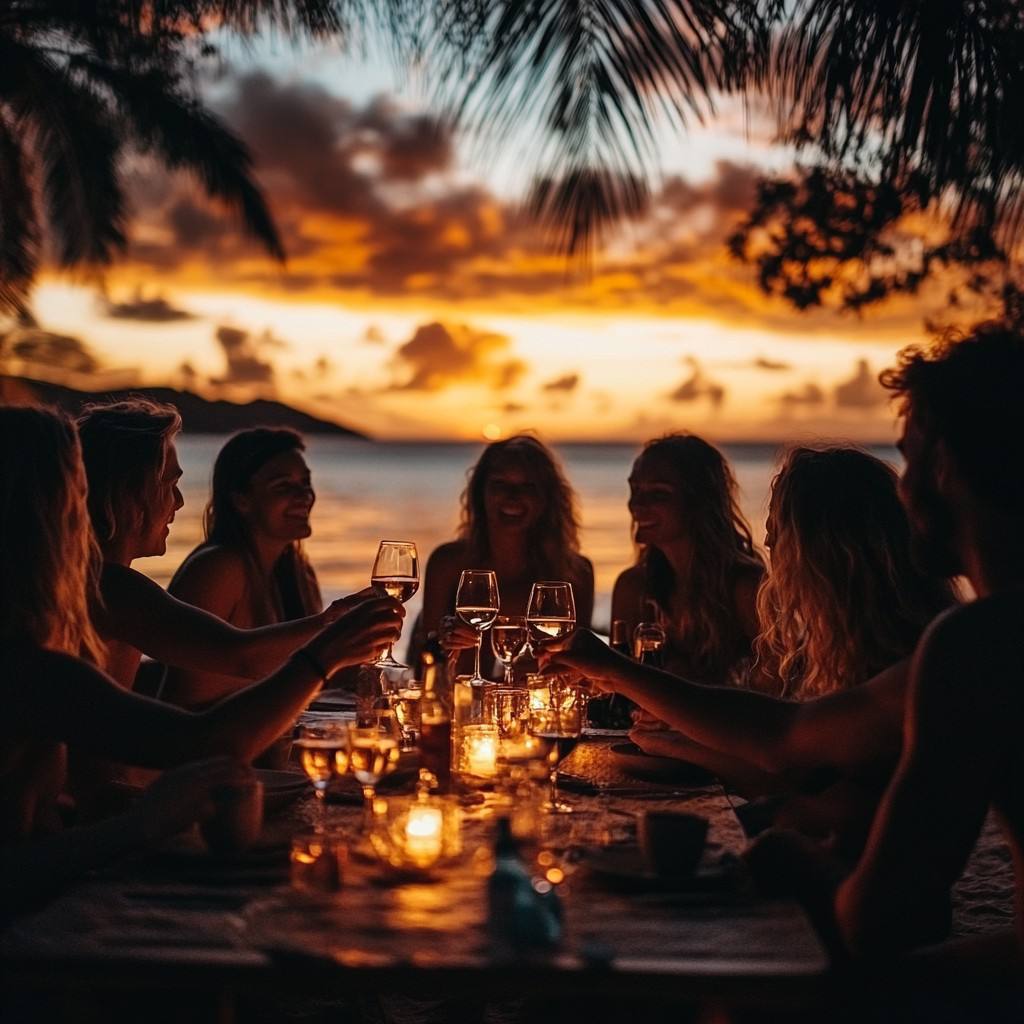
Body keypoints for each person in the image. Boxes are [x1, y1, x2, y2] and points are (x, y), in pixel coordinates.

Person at [0, 406, 402, 909]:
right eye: (78, 491)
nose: (179, 500)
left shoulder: (47, 638)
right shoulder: (53, 641)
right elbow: (215, 718)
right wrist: (322, 654)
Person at [542, 446, 955, 842]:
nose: (770, 547)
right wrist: (679, 744)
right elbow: (794, 775)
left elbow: (782, 740)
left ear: (829, 551)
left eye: (779, 534)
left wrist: (618, 670)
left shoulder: (918, 669)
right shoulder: (863, 653)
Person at [831, 324, 1024, 959]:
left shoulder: (982, 644)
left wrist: (809, 874)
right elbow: (791, 732)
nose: (903, 485)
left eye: (908, 458)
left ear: (943, 465)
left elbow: (881, 913)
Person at [76, 400, 368, 693]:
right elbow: (241, 657)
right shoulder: (111, 587)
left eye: (305, 483)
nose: (179, 501)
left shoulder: (98, 581)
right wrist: (333, 622)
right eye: (168, 485)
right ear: (129, 493)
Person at [163, 428, 327, 708]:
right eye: (283, 486)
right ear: (241, 500)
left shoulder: (298, 571)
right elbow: (188, 698)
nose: (304, 496)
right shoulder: (218, 568)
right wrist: (335, 628)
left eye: (305, 482)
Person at [420, 435, 594, 677]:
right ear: (480, 493)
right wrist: (443, 645)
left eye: (528, 486)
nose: (513, 496)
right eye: (500, 484)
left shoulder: (575, 573)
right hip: (462, 698)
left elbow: (583, 670)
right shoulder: (447, 564)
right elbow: (423, 668)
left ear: (546, 498)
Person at [612, 433, 764, 684]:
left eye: (658, 493)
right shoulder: (634, 587)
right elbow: (618, 686)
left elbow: (778, 688)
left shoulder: (746, 587)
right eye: (635, 489)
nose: (636, 504)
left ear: (699, 501)